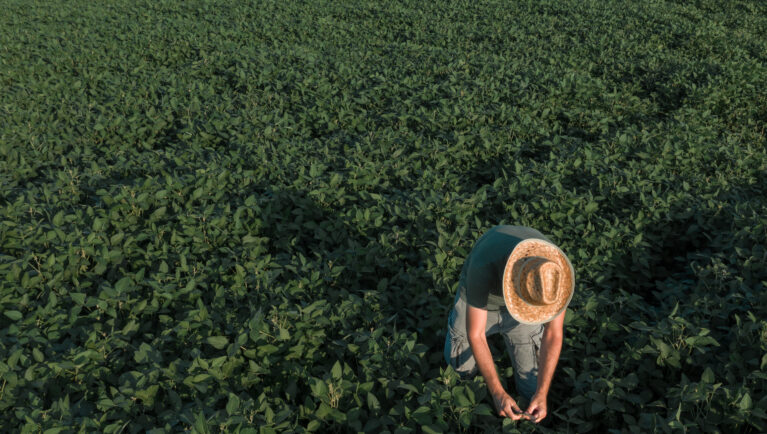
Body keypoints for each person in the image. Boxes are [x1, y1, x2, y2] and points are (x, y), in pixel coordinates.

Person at [443, 225, 575, 423]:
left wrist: (541, 393)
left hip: (526, 294)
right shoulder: (483, 264)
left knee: (531, 387)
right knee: (461, 369)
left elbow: (554, 334)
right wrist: (497, 393)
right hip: (480, 300)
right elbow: (475, 334)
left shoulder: (556, 275)